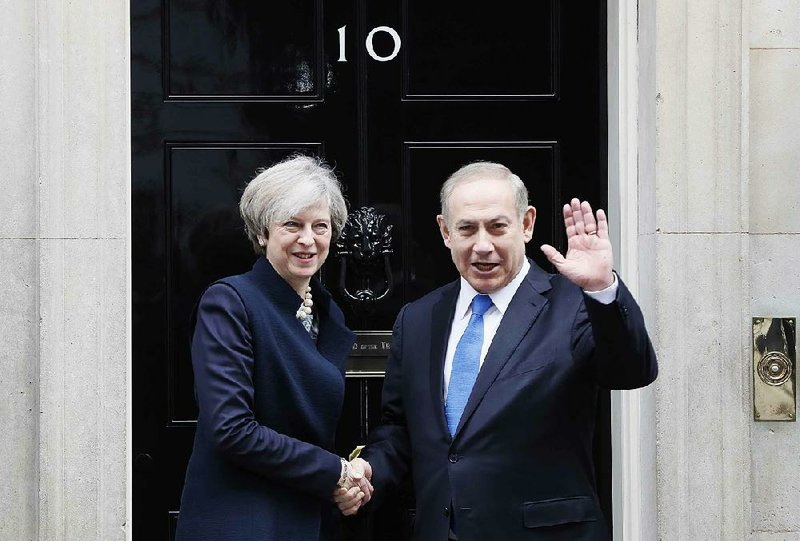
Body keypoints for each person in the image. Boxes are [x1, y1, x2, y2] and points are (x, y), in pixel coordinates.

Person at [336, 162, 658, 540]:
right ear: (445, 231)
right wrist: (370, 468)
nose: (482, 245)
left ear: (526, 225)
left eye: (497, 226)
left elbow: (632, 371)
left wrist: (603, 289)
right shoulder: (418, 320)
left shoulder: (573, 305)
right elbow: (400, 428)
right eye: (467, 228)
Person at [176, 155, 373, 541]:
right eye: (292, 224)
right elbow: (232, 430)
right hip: (242, 519)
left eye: (321, 226)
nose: (308, 239)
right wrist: (335, 470)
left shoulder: (331, 315)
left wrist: (351, 478)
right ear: (262, 232)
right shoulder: (230, 302)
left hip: (308, 516)